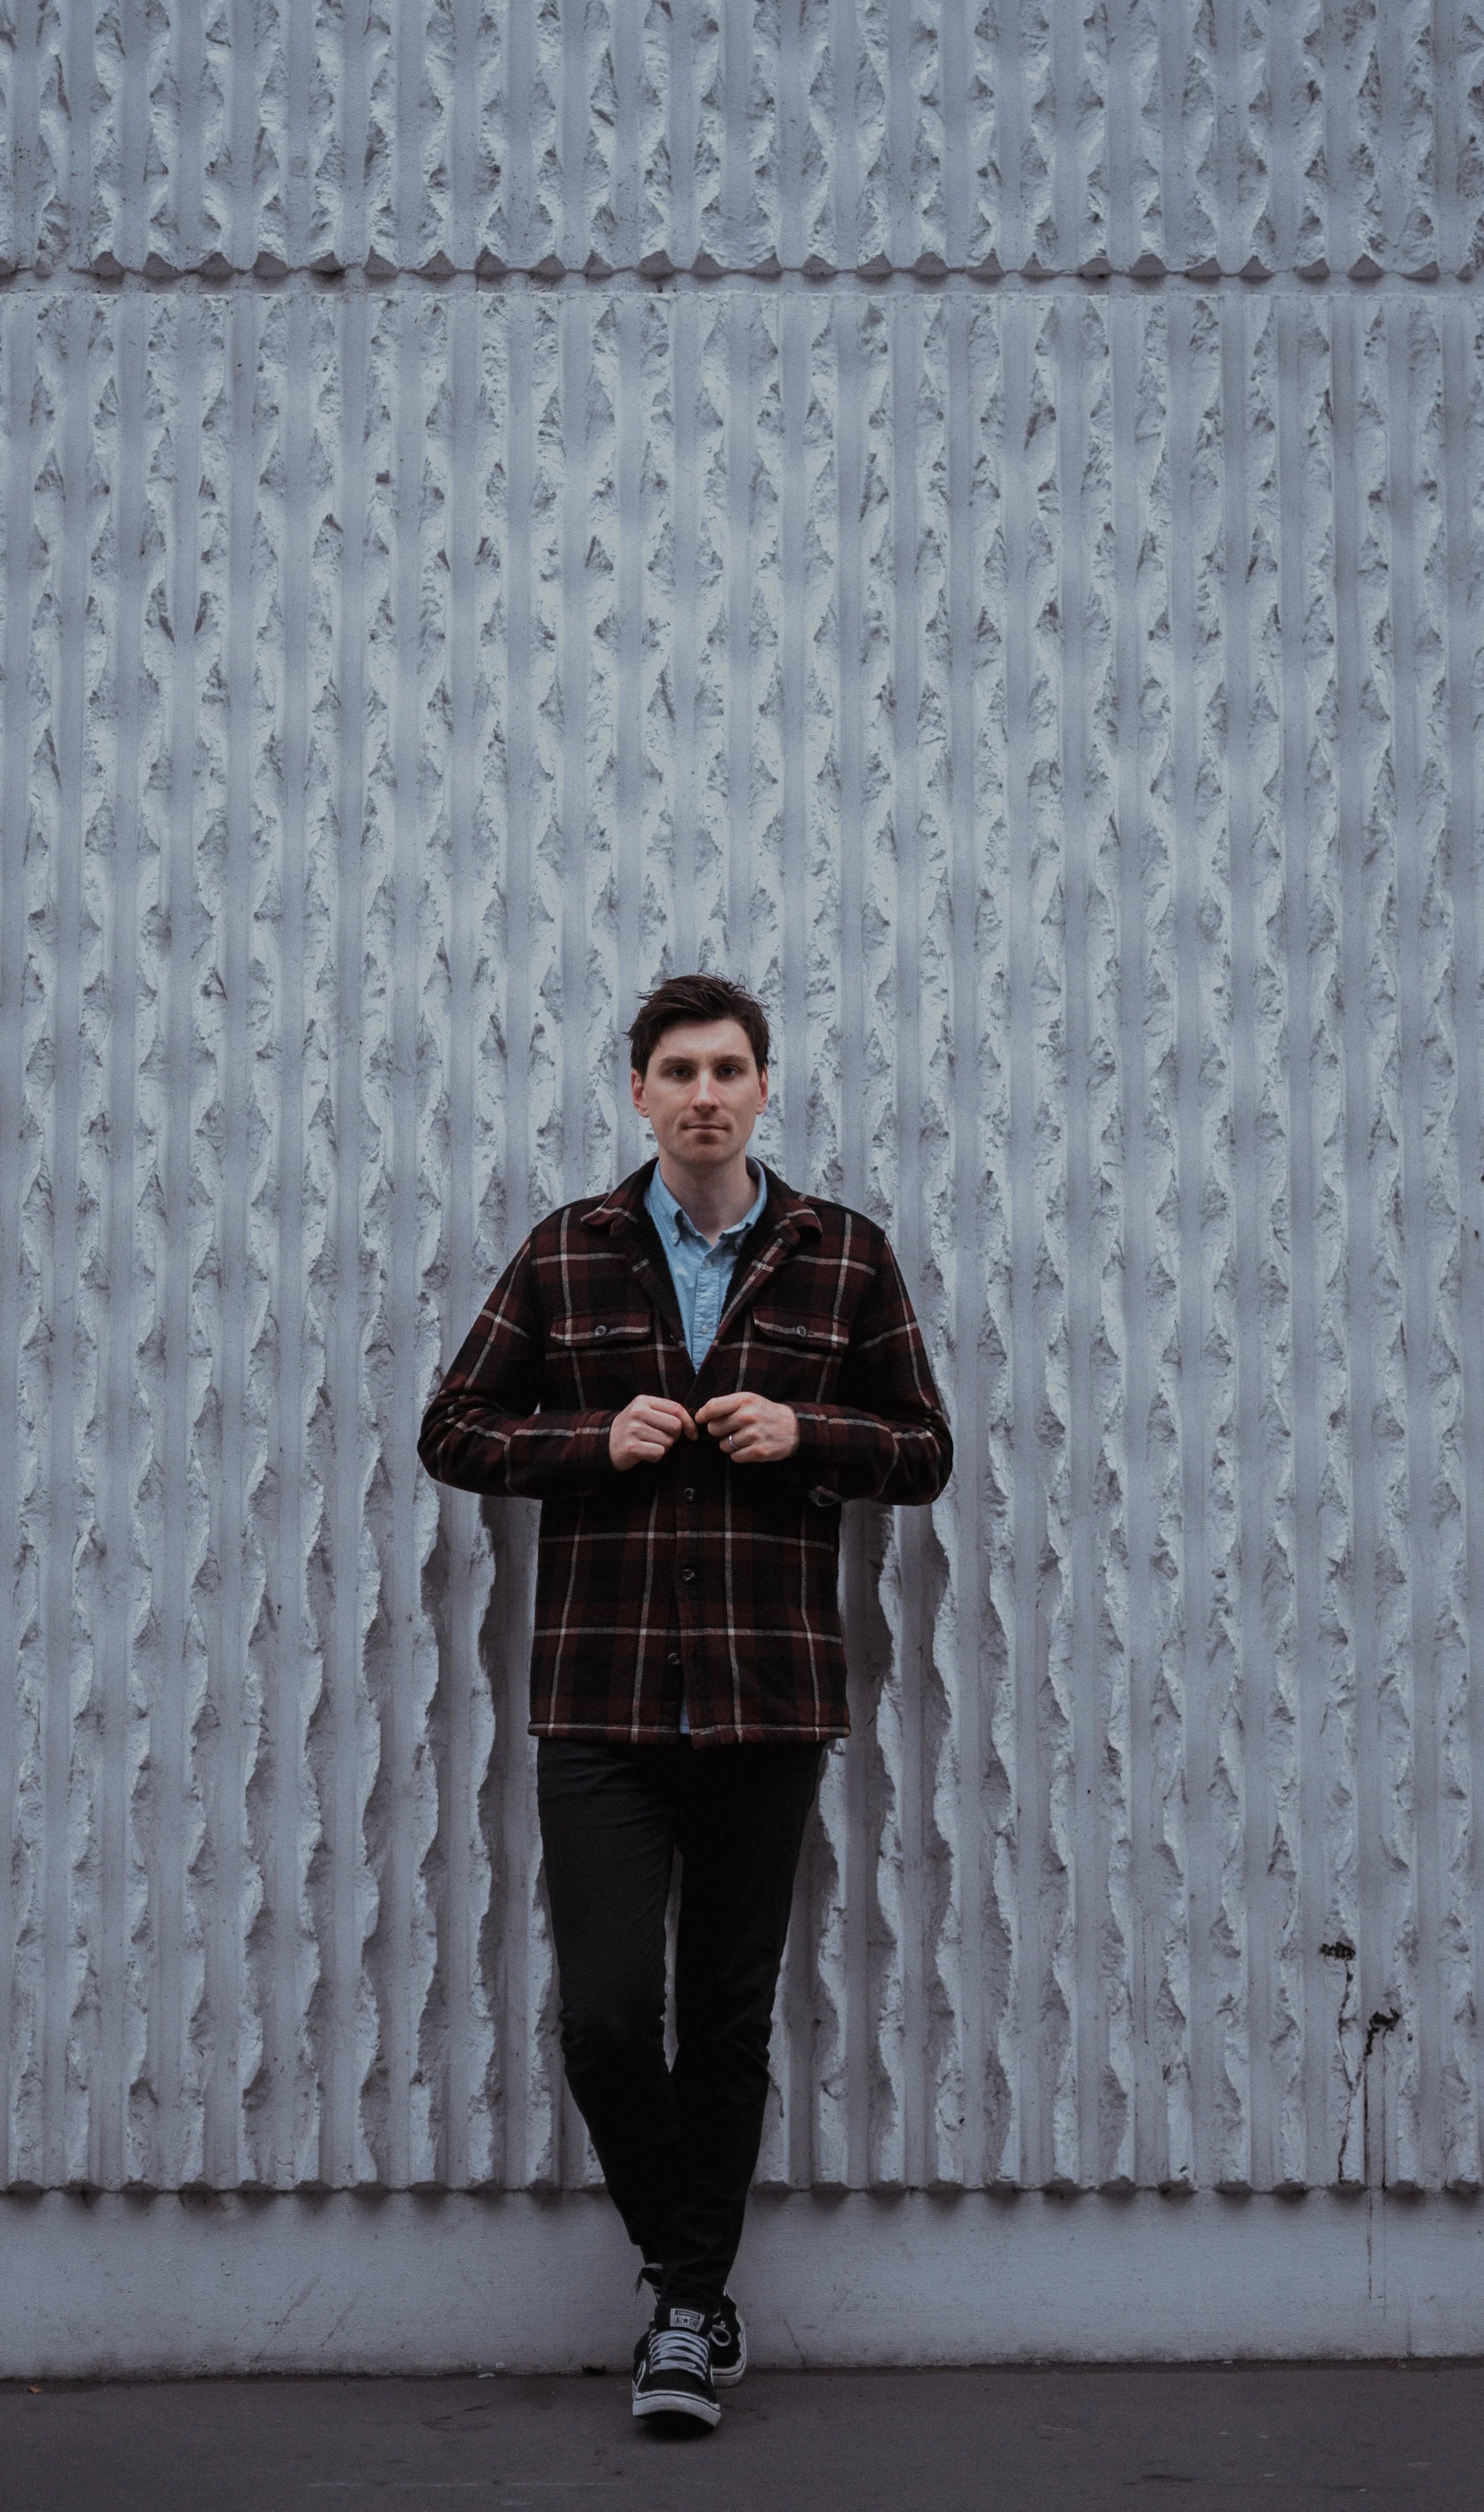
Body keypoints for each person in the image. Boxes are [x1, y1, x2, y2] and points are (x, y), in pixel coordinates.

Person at [419, 972, 952, 2430]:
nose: (704, 1093)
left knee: (724, 2024)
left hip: (766, 1698)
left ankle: (676, 2326)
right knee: (604, 2018)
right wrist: (586, 1443)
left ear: (764, 1088)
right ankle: (693, 2281)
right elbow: (451, 1428)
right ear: (638, 1094)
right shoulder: (568, 1248)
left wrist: (809, 1431)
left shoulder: (840, 1253)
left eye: (727, 1068)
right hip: (598, 1695)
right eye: (677, 1070)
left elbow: (923, 1448)